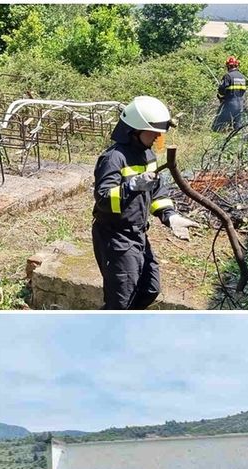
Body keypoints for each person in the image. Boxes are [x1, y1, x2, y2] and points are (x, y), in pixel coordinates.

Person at [92, 95, 178, 310]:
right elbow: (103, 199)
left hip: (138, 233)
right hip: (116, 236)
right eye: (154, 132)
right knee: (120, 300)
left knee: (150, 288)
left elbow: (156, 190)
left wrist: (170, 215)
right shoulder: (114, 158)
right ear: (135, 130)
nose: (158, 136)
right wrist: (130, 186)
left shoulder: (147, 154)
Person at [213, 56, 248, 131]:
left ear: (228, 66)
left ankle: (217, 141)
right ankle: (242, 141)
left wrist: (221, 98)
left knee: (217, 126)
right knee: (236, 130)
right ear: (236, 65)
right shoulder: (243, 77)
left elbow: (221, 91)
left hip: (229, 105)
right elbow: (243, 91)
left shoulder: (227, 76)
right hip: (240, 106)